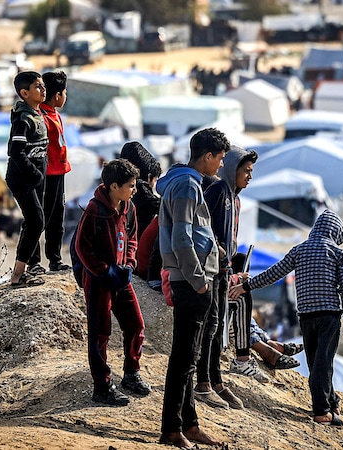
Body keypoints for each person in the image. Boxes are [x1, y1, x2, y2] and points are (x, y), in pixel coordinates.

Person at [229, 209, 343, 426]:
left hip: (306, 317)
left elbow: (274, 273)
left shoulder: (298, 250)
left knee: (315, 362)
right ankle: (323, 412)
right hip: (329, 316)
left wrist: (246, 286)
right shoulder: (338, 254)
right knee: (323, 362)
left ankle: (331, 401)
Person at [157, 128, 229, 449]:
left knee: (189, 356)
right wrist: (200, 281)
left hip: (191, 279)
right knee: (184, 358)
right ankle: (171, 429)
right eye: (221, 159)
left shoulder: (183, 181)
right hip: (191, 283)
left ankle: (190, 423)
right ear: (207, 156)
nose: (221, 166)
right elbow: (182, 239)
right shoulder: (187, 185)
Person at [75, 159, 151, 406]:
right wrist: (103, 271)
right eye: (130, 185)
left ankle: (131, 373)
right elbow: (81, 246)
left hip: (121, 277)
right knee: (100, 333)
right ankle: (102, 386)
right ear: (114, 186)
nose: (135, 190)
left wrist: (129, 264)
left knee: (135, 324)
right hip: (99, 281)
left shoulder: (129, 207)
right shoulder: (95, 209)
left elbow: (132, 238)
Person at [197, 146, 262, 407]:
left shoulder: (234, 198)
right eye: (245, 171)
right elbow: (202, 228)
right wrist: (220, 252)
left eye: (251, 172)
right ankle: (204, 382)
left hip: (223, 270)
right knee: (210, 326)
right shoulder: (217, 191)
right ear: (232, 169)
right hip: (210, 269)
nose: (249, 176)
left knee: (218, 326)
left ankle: (216, 380)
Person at [5, 71, 49, 288]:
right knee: (36, 221)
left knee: (36, 220)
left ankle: (32, 266)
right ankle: (17, 275)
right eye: (37, 87)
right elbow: (16, 152)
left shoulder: (36, 113)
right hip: (23, 178)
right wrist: (34, 173)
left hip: (35, 178)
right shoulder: (23, 119)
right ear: (24, 93)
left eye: (42, 86)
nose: (43, 90)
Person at [28, 70, 71, 275]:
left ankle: (55, 259)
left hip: (59, 172)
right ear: (57, 96)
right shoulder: (40, 117)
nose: (65, 97)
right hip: (46, 174)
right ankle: (33, 262)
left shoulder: (55, 114)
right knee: (38, 217)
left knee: (57, 218)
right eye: (64, 92)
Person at [119, 141, 161, 240]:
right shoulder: (140, 187)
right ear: (149, 176)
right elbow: (163, 207)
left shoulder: (117, 185)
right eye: (154, 181)